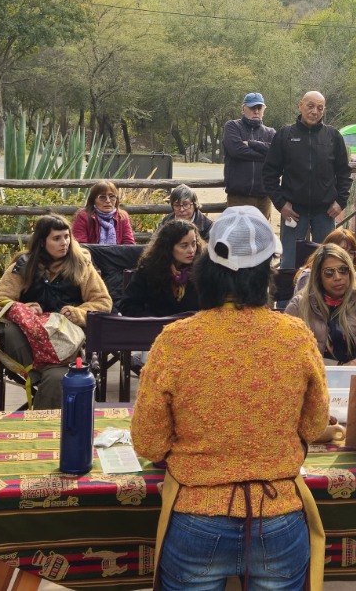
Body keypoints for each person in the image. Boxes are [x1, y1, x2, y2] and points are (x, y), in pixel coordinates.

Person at [132, 205, 329, 590]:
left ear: (207, 268)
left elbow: (148, 441)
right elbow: (314, 423)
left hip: (196, 518)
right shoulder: (295, 336)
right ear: (267, 271)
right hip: (280, 518)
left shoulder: (177, 340)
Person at [0, 215, 112, 407]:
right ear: (42, 242)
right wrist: (24, 308)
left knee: (57, 378)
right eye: (57, 238)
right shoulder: (23, 266)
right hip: (28, 343)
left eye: (67, 237)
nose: (64, 243)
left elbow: (103, 301)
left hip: (67, 344)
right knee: (11, 332)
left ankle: (40, 425)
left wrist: (79, 313)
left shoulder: (81, 265)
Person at [263, 91, 352, 252]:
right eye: (310, 106)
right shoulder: (285, 135)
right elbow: (269, 173)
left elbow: (344, 173)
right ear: (300, 105)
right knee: (289, 263)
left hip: (325, 212)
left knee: (327, 260)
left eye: (320, 108)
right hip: (294, 211)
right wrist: (280, 203)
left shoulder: (333, 136)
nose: (314, 112)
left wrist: (341, 201)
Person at [286, 243, 356, 366]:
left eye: (343, 270)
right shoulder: (299, 306)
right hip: (314, 380)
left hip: (353, 380)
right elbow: (289, 353)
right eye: (329, 272)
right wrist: (340, 367)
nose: (338, 277)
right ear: (318, 277)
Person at [119, 218, 203, 318]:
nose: (191, 250)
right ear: (168, 247)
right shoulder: (149, 270)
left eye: (194, 244)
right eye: (184, 246)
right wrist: (153, 320)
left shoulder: (202, 271)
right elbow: (128, 306)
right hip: (155, 329)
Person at [221, 92, 275, 217]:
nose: (256, 111)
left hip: (263, 197)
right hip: (239, 197)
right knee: (238, 234)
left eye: (259, 107)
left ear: (264, 110)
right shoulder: (232, 126)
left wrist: (251, 143)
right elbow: (236, 151)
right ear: (243, 109)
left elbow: (276, 153)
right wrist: (265, 154)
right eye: (252, 107)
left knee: (261, 235)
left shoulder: (270, 132)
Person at [292, 226, 356, 295]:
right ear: (326, 251)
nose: (346, 257)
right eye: (341, 251)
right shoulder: (308, 277)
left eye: (350, 253)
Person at [71, 180, 135, 246]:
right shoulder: (83, 216)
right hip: (90, 255)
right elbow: (80, 246)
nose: (108, 201)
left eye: (112, 197)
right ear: (93, 200)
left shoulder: (122, 216)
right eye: (102, 197)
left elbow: (129, 244)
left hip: (118, 255)